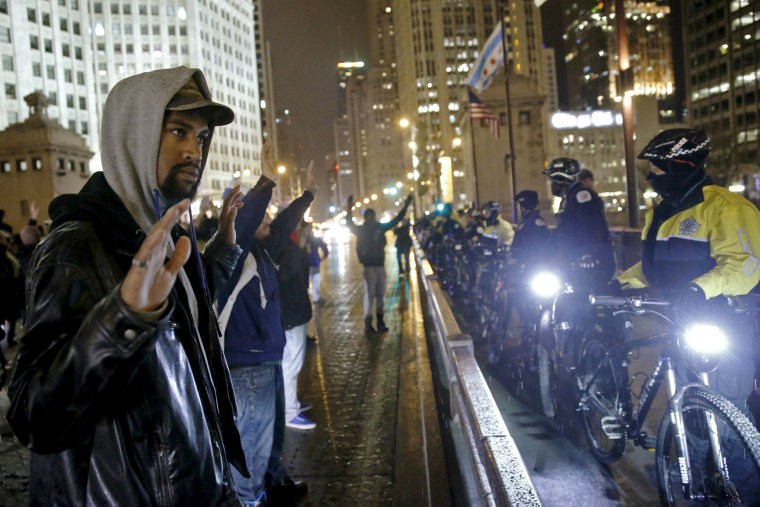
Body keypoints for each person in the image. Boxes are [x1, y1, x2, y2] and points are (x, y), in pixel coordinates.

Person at [6, 66, 250, 505]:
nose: (194, 150)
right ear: (132, 133)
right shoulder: (77, 247)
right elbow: (33, 415)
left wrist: (223, 251)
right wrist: (123, 317)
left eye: (200, 137)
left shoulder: (161, 232)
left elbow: (181, 326)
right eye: (178, 130)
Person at [615, 128, 760, 429]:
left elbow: (745, 263)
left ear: (679, 166)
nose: (652, 176)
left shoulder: (726, 207)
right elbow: (654, 267)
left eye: (656, 168)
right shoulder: (663, 212)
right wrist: (620, 284)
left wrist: (698, 289)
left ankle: (739, 478)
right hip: (679, 322)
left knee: (729, 421)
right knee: (688, 413)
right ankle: (687, 474)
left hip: (725, 324)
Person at [216, 145, 316, 506]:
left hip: (266, 359)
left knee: (270, 438)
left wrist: (307, 195)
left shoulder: (261, 248)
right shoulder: (233, 247)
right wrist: (267, 181)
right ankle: (250, 499)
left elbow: (283, 223)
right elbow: (245, 222)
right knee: (252, 444)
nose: (266, 221)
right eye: (260, 217)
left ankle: (274, 484)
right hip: (246, 364)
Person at [346, 193, 413, 334]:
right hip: (369, 267)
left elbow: (396, 220)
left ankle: (380, 321)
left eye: (372, 216)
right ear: (365, 218)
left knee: (380, 295)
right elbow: (349, 224)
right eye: (368, 216)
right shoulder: (362, 230)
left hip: (380, 266)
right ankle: (368, 323)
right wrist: (349, 208)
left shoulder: (379, 228)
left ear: (374, 217)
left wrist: (406, 205)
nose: (370, 218)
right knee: (370, 296)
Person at [545, 157, 615, 288]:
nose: (551, 185)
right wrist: (544, 253)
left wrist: (588, 255)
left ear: (561, 179)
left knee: (586, 302)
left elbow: (592, 227)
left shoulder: (581, 195)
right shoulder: (568, 198)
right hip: (575, 263)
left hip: (591, 265)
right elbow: (562, 231)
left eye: (552, 181)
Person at [276, 222, 316, 432]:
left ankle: (290, 403)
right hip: (290, 316)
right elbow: (285, 276)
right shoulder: (283, 249)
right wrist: (298, 247)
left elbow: (303, 278)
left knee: (293, 362)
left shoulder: (291, 250)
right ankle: (289, 412)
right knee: (290, 363)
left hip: (295, 314)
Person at [510, 190, 550, 266]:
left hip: (531, 265)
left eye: (519, 205)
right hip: (522, 264)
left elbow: (541, 242)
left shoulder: (534, 221)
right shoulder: (526, 221)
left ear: (523, 207)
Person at [305, 226, 329, 303]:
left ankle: (308, 298)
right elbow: (324, 247)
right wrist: (323, 256)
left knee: (307, 282)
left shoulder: (302, 239)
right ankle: (316, 297)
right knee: (316, 281)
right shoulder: (315, 239)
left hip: (306, 265)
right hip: (315, 263)